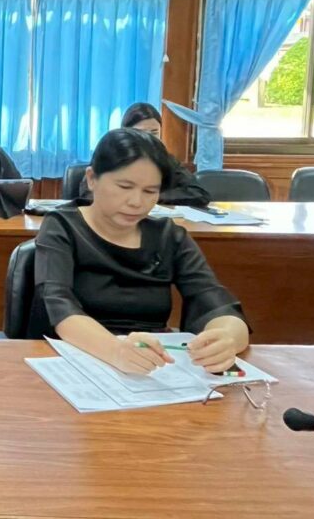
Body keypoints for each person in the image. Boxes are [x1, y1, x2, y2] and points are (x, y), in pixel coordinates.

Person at [34, 128, 249, 375]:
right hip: (78, 360)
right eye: (124, 186)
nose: (137, 202)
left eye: (150, 191)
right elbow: (59, 305)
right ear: (92, 179)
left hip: (152, 367)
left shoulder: (169, 236)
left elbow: (215, 301)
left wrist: (227, 339)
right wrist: (116, 351)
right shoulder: (62, 226)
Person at [78, 102, 209, 207]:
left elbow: (198, 193)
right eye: (140, 132)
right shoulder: (110, 153)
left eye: (154, 132)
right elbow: (87, 194)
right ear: (125, 131)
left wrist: (152, 196)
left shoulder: (165, 159)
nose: (148, 138)